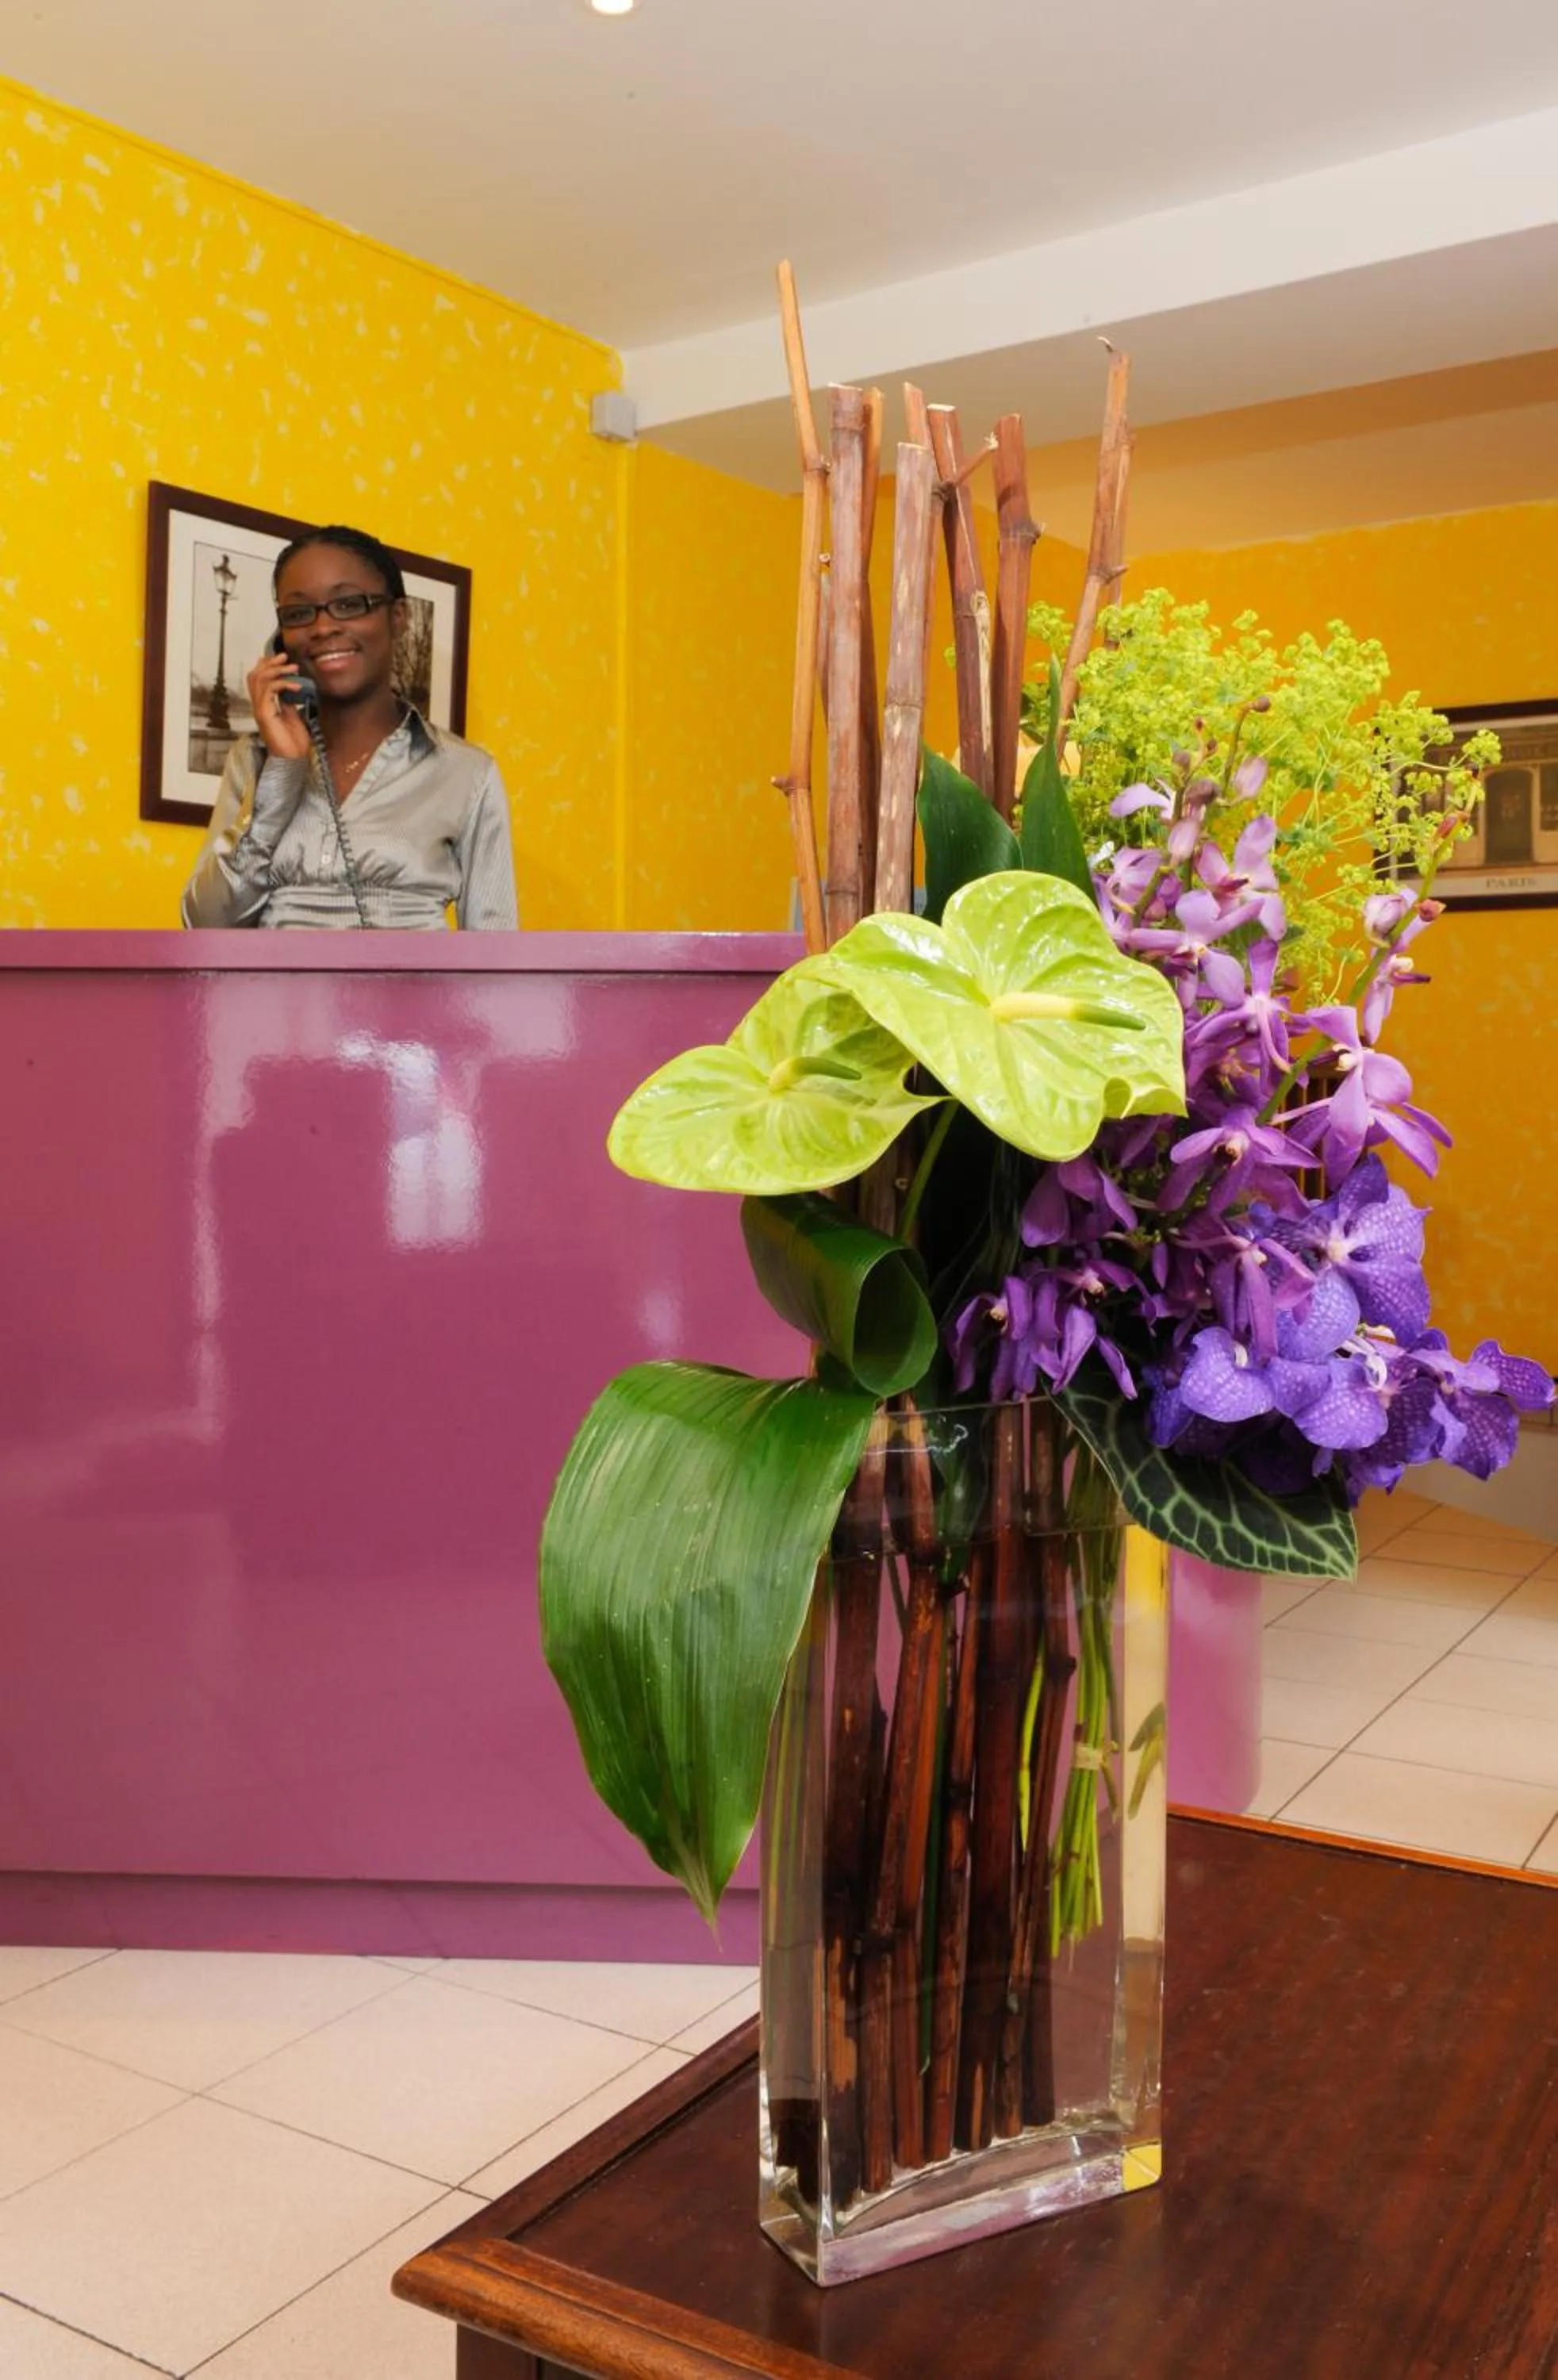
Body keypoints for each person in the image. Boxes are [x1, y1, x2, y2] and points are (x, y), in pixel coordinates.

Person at [181, 524, 518, 929]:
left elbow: (495, 958)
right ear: (281, 640)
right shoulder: (252, 758)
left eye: (349, 604)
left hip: (412, 994)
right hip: (270, 994)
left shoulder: (468, 773)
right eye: (300, 612)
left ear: (398, 618)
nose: (323, 628)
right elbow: (203, 925)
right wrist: (283, 771)